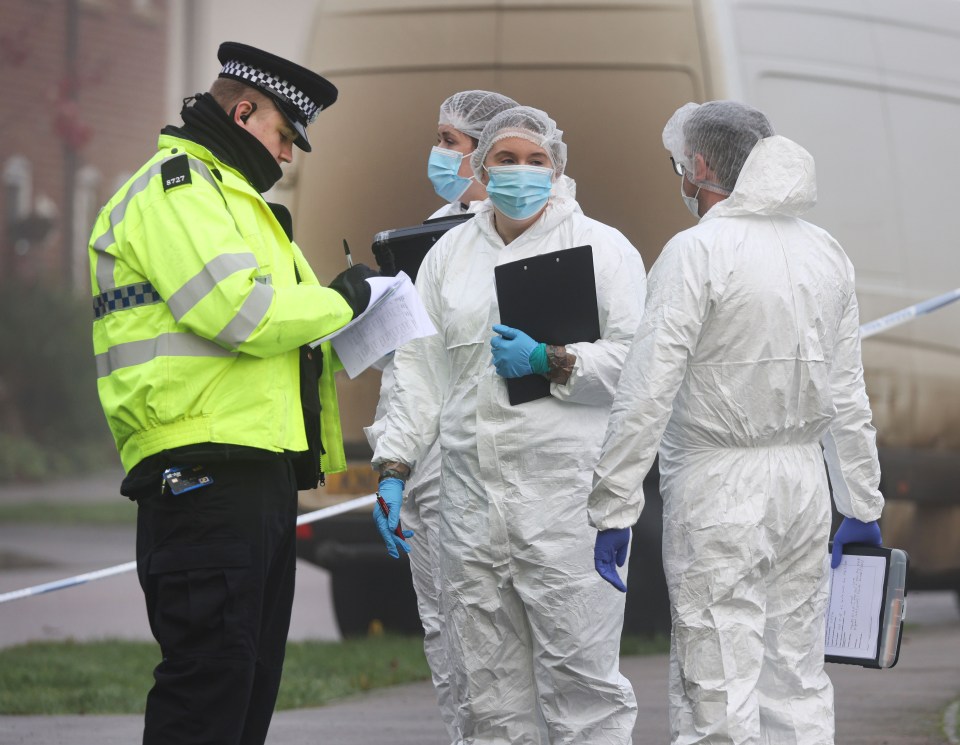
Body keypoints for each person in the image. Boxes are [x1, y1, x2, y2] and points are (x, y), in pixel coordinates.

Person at [88, 42, 377, 745]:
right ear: (243, 111)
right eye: (284, 136)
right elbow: (237, 312)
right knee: (210, 687)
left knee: (244, 686)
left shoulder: (238, 203)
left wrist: (368, 316)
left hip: (252, 470)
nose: (286, 158)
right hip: (202, 470)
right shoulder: (178, 187)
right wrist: (341, 304)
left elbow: (280, 343)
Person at [588, 100, 884, 745]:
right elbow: (847, 392)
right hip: (803, 485)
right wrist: (860, 500)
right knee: (796, 673)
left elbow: (647, 388)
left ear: (698, 166)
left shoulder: (697, 250)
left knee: (716, 676)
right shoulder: (824, 251)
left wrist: (614, 504)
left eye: (679, 167)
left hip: (716, 484)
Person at [371, 105, 644, 744]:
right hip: (471, 511)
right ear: (482, 166)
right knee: (488, 698)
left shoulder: (603, 249)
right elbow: (419, 372)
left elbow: (640, 365)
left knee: (585, 692)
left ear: (557, 167)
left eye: (535, 161)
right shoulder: (447, 258)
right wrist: (394, 465)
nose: (520, 173)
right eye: (505, 159)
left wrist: (552, 360)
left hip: (566, 506)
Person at [366, 88, 518, 745]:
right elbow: (408, 367)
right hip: (429, 460)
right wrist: (391, 461)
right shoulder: (430, 235)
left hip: (500, 455)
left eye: (451, 142)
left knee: (501, 629)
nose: (439, 153)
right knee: (442, 623)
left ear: (486, 152)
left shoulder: (534, 229)